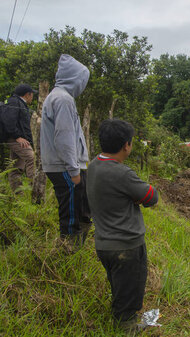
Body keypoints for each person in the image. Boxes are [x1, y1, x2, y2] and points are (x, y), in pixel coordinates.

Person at [87, 119, 159, 331]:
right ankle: (126, 328)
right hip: (126, 247)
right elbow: (151, 197)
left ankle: (120, 316)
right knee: (130, 290)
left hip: (103, 245)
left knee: (119, 285)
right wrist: (135, 197)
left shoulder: (93, 165)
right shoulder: (123, 173)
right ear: (126, 145)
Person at [40, 54, 92, 247]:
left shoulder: (60, 97)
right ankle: (69, 250)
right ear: (74, 79)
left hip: (67, 165)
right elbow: (64, 138)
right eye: (82, 80)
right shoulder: (62, 100)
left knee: (80, 208)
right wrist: (73, 170)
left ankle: (76, 246)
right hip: (64, 166)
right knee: (71, 213)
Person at [4, 84, 37, 191]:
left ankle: (18, 196)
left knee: (16, 167)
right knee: (32, 158)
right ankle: (34, 189)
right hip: (16, 139)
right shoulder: (14, 102)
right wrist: (17, 136)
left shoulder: (20, 103)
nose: (33, 97)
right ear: (28, 94)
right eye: (32, 94)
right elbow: (9, 121)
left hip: (20, 139)